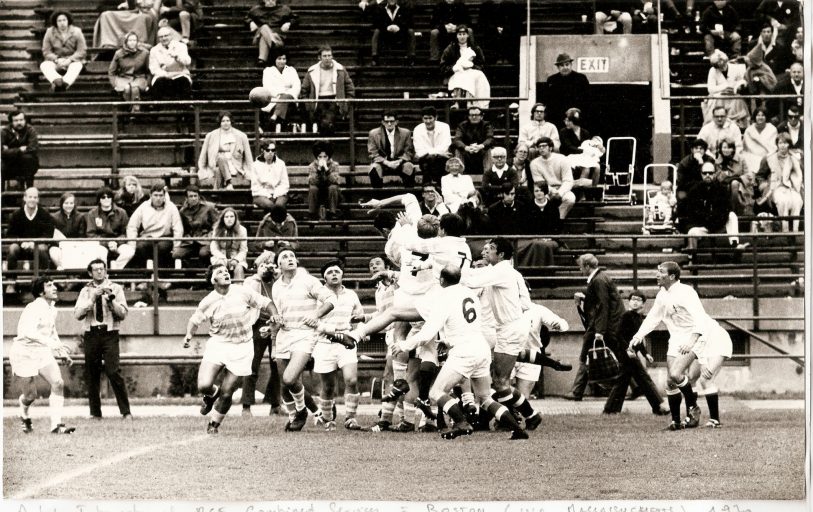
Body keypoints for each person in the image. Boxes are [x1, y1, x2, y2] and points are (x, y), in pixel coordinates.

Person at [393, 264, 529, 439]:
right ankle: (518, 430)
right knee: (485, 398)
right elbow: (466, 325)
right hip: (480, 347)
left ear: (441, 280)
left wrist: (404, 345)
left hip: (464, 351)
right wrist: (449, 341)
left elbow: (427, 333)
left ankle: (461, 423)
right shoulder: (470, 294)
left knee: (436, 392)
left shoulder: (444, 298)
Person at [631, 262, 733, 429]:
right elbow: (652, 318)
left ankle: (694, 408)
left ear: (671, 276)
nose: (657, 275)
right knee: (671, 381)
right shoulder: (662, 294)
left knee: (679, 373)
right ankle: (676, 422)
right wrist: (638, 336)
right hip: (678, 337)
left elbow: (700, 318)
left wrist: (692, 341)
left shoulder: (687, 292)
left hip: (698, 335)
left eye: (661, 272)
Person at [183, 264, 281, 434]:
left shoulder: (242, 291)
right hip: (219, 344)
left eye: (226, 271)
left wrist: (275, 314)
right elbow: (195, 320)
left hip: (242, 347)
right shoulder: (208, 301)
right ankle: (212, 394)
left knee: (227, 392)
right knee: (204, 385)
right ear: (213, 280)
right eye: (220, 272)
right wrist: (188, 336)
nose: (225, 273)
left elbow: (266, 303)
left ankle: (214, 424)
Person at [458, 238, 542, 430]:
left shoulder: (501, 271)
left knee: (500, 381)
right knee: (498, 380)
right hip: (511, 327)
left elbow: (470, 280)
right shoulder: (509, 272)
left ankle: (528, 415)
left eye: (492, 249)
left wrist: (455, 265)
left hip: (509, 329)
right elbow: (526, 303)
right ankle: (526, 415)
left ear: (502, 255)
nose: (487, 251)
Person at [271, 249, 338, 431]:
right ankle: (297, 416)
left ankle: (302, 412)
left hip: (304, 335)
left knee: (289, 378)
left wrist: (316, 314)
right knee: (286, 384)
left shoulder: (308, 280)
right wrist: (273, 324)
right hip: (284, 334)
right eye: (284, 257)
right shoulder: (277, 286)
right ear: (279, 265)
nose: (290, 259)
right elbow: (279, 314)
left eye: (292, 256)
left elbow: (331, 299)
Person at [10, 277, 75, 434]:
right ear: (41, 291)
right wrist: (53, 345)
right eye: (49, 285)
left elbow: (52, 332)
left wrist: (61, 351)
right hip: (23, 353)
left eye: (53, 284)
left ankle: (56, 425)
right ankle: (25, 416)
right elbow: (28, 332)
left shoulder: (52, 308)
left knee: (58, 383)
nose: (54, 288)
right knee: (30, 395)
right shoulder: (33, 308)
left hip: (41, 351)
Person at [563, 254, 627, 406]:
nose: (580, 270)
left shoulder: (597, 280)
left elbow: (602, 306)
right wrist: (585, 298)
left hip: (605, 325)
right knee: (619, 355)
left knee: (587, 352)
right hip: (609, 324)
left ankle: (577, 391)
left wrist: (600, 331)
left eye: (580, 266)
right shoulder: (601, 278)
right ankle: (636, 386)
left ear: (586, 266)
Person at [311, 260, 366, 431]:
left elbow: (359, 316)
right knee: (327, 386)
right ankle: (328, 420)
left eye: (337, 271)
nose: (334, 274)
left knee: (351, 379)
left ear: (342, 274)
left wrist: (358, 333)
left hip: (347, 343)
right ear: (324, 277)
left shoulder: (351, 294)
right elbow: (313, 320)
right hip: (324, 342)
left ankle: (350, 418)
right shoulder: (319, 296)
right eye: (329, 272)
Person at [74, 259, 132, 420]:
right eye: (96, 270)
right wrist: (92, 299)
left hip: (110, 332)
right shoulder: (85, 291)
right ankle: (95, 413)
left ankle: (126, 412)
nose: (99, 272)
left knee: (113, 371)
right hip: (92, 332)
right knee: (92, 373)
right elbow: (78, 315)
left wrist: (111, 301)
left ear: (106, 271)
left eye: (102, 269)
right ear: (90, 273)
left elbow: (124, 314)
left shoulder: (116, 288)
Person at [606, 289, 671, 415]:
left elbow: (638, 339)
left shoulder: (639, 318)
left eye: (638, 300)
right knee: (644, 379)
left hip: (632, 354)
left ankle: (610, 409)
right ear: (629, 302)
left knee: (623, 382)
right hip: (627, 354)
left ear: (643, 304)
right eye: (633, 299)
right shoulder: (626, 316)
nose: (635, 302)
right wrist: (628, 349)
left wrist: (645, 353)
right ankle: (659, 406)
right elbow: (618, 334)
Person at [241, 251, 283, 416]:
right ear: (256, 267)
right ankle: (246, 405)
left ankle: (275, 405)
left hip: (276, 325)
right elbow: (247, 296)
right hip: (257, 324)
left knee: (277, 366)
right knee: (252, 365)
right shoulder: (251, 281)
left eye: (270, 264)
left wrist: (277, 274)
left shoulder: (279, 281)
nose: (267, 267)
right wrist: (260, 275)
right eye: (263, 264)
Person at [680, 161, 748, 251]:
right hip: (703, 226)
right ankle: (692, 257)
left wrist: (715, 221)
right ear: (701, 174)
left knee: (732, 215)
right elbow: (692, 212)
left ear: (715, 174)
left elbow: (725, 210)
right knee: (692, 232)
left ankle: (735, 244)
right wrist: (708, 221)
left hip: (718, 225)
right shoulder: (694, 190)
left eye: (710, 173)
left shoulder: (722, 189)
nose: (707, 175)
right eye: (704, 173)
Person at [115, 183, 183, 271]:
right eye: (155, 195)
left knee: (161, 248)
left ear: (164, 196)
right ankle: (144, 279)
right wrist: (132, 244)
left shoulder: (171, 207)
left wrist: (176, 246)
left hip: (164, 238)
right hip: (147, 238)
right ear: (151, 195)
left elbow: (178, 228)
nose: (158, 198)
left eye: (161, 195)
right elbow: (132, 226)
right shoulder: (143, 207)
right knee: (139, 247)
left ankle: (160, 278)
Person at [366, 254, 400, 431]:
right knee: (396, 376)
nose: (374, 267)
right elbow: (382, 313)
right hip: (390, 333)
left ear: (386, 266)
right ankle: (393, 415)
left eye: (377, 263)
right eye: (371, 265)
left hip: (402, 331)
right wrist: (364, 318)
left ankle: (387, 416)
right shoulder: (379, 288)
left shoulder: (396, 282)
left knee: (391, 374)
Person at [4, 188, 54, 292]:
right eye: (30, 197)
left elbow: (48, 234)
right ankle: (11, 282)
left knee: (41, 249)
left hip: (37, 245)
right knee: (13, 248)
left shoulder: (44, 214)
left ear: (38, 199)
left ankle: (43, 283)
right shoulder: (17, 214)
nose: (32, 199)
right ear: (25, 198)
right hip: (21, 246)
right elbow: (10, 234)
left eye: (35, 197)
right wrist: (21, 242)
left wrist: (34, 242)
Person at [299, 45, 355, 135]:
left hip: (335, 100)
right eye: (324, 56)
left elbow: (350, 87)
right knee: (324, 122)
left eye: (329, 55)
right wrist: (308, 105)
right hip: (318, 100)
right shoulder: (312, 71)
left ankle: (325, 146)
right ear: (319, 57)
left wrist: (346, 103)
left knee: (327, 121)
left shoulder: (340, 70)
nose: (327, 58)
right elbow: (304, 90)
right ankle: (326, 145)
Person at [756, 132, 803, 232]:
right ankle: (785, 230)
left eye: (785, 143)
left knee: (797, 201)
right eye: (780, 143)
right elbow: (760, 175)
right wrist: (764, 185)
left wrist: (797, 183)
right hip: (774, 187)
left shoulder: (795, 158)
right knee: (783, 202)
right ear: (777, 144)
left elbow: (801, 174)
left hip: (792, 187)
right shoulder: (769, 158)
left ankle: (795, 231)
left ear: (789, 144)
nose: (783, 145)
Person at [198, 111, 254, 191]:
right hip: (215, 163)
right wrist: (202, 170)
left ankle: (216, 192)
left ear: (231, 121)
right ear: (220, 122)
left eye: (228, 121)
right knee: (221, 158)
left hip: (233, 165)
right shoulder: (211, 135)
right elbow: (203, 155)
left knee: (218, 171)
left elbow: (248, 157)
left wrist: (250, 172)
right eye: (223, 121)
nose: (226, 123)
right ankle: (228, 183)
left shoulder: (241, 136)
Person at [439, 25, 490, 109]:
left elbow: (482, 64)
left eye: (464, 34)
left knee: (475, 76)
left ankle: (471, 102)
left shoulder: (475, 48)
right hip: (456, 72)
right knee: (460, 75)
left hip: (471, 72)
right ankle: (456, 102)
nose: (462, 36)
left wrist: (472, 66)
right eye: (459, 34)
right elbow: (443, 66)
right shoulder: (450, 48)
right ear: (456, 36)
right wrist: (454, 68)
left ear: (468, 35)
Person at [528, 136, 576, 219]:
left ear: (550, 147)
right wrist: (551, 191)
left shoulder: (562, 159)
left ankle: (559, 219)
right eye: (539, 146)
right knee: (541, 200)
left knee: (570, 198)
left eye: (544, 146)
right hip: (545, 190)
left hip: (562, 189)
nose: (541, 148)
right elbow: (539, 182)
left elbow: (568, 180)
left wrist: (560, 193)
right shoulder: (534, 163)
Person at [172, 185, 218, 268]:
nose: (193, 198)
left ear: (199, 196)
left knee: (203, 253)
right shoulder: (183, 211)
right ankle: (189, 272)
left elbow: (216, 223)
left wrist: (212, 235)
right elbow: (182, 227)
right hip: (190, 241)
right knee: (176, 254)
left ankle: (207, 270)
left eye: (195, 196)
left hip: (206, 239)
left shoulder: (209, 207)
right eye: (191, 196)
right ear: (186, 198)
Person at [367, 110, 416, 188]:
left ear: (396, 122)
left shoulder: (405, 133)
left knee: (409, 167)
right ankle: (378, 197)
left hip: (399, 162)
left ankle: (409, 195)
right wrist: (387, 163)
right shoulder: (373, 133)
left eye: (392, 121)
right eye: (386, 121)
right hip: (382, 163)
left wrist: (399, 161)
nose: (389, 124)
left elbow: (409, 152)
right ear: (382, 122)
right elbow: (372, 153)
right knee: (374, 168)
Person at [83, 186, 130, 266]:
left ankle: (115, 270)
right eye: (103, 197)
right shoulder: (92, 213)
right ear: (99, 200)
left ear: (112, 198)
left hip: (118, 244)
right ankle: (104, 275)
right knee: (100, 254)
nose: (106, 199)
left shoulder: (122, 212)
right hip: (101, 244)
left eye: (109, 197)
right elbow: (91, 234)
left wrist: (117, 242)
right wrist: (107, 242)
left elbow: (125, 233)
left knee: (129, 252)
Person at [40, 10, 86, 92]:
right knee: (44, 65)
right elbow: (46, 51)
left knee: (77, 66)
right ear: (56, 22)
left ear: (68, 21)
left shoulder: (77, 31)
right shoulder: (50, 32)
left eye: (64, 20)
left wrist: (69, 60)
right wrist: (56, 59)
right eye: (59, 20)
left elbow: (81, 51)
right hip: (56, 61)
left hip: (72, 61)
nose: (62, 23)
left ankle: (63, 84)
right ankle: (57, 81)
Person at [543, 53, 590, 129]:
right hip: (558, 119)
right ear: (558, 67)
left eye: (567, 64)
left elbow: (587, 99)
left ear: (571, 65)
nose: (565, 67)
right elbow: (548, 101)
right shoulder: (552, 80)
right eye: (562, 65)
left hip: (577, 118)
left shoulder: (581, 78)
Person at [703, 50, 748, 126]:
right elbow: (710, 89)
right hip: (718, 96)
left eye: (723, 65)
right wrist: (725, 87)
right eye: (718, 66)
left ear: (726, 62)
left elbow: (742, 81)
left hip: (733, 95)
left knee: (738, 100)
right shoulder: (712, 71)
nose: (721, 68)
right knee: (716, 100)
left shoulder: (735, 68)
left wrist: (739, 86)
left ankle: (736, 123)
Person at [108, 31, 150, 111]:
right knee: (127, 88)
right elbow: (111, 72)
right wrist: (114, 84)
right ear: (126, 42)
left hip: (139, 78)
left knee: (135, 88)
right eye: (130, 40)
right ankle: (130, 108)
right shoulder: (119, 54)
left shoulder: (144, 53)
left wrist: (148, 83)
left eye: (134, 40)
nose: (132, 43)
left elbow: (149, 70)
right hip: (124, 77)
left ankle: (135, 110)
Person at [246, 0, 297, 67]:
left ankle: (262, 59)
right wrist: (250, 22)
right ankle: (273, 43)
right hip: (258, 37)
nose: (270, 1)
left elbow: (295, 18)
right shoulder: (256, 9)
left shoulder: (284, 9)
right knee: (264, 27)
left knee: (265, 36)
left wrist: (289, 23)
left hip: (278, 36)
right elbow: (246, 18)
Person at [259, 50, 300, 131]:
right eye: (279, 59)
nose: (282, 61)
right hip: (274, 99)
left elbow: (296, 86)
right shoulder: (268, 71)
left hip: (290, 99)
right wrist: (280, 94)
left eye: (284, 59)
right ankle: (277, 121)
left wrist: (286, 95)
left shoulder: (291, 70)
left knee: (286, 97)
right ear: (274, 59)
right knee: (284, 100)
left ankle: (275, 116)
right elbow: (267, 87)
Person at [93, 0, 161, 49]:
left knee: (143, 18)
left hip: (146, 12)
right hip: (129, 11)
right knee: (106, 15)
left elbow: (155, 9)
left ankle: (138, 42)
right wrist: (120, 6)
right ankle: (109, 42)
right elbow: (101, 7)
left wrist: (142, 3)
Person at [412, 106, 452, 186]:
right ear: (422, 119)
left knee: (435, 162)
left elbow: (445, 146)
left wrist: (431, 152)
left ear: (436, 118)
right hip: (425, 159)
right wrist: (437, 153)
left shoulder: (444, 127)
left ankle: (427, 186)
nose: (428, 121)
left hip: (441, 159)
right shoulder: (417, 129)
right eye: (425, 118)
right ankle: (438, 186)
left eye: (430, 118)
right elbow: (419, 151)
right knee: (429, 161)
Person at [148, 26, 192, 100]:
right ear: (158, 38)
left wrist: (177, 57)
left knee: (183, 81)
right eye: (161, 37)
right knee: (159, 83)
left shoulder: (181, 46)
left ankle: (185, 108)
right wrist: (166, 74)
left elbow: (188, 61)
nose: (164, 38)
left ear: (171, 36)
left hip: (179, 73)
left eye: (166, 36)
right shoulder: (154, 50)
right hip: (163, 75)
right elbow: (154, 68)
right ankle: (156, 108)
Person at [370, 0, 416, 66]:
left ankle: (411, 57)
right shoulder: (381, 8)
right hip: (386, 35)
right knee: (377, 31)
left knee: (410, 31)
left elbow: (409, 22)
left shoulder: (403, 8)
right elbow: (377, 23)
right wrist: (387, 27)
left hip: (400, 34)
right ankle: (375, 57)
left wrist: (399, 27)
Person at [476, 0, 523, 65]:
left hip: (507, 29)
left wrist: (503, 28)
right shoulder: (488, 6)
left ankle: (505, 57)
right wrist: (497, 28)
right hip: (494, 29)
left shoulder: (510, 6)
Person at [1, 111, 40, 190]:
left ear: (25, 120)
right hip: (10, 166)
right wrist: (19, 150)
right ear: (11, 122)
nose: (19, 123)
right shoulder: (4, 132)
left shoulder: (30, 130)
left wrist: (9, 151)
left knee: (29, 159)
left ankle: (30, 192)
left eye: (21, 120)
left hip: (27, 166)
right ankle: (1, 197)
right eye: (16, 120)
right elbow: (1, 152)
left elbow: (33, 148)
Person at [452, 105, 494, 174]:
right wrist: (466, 147)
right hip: (467, 152)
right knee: (458, 150)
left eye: (476, 115)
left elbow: (490, 139)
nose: (474, 117)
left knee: (488, 150)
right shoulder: (462, 125)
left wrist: (480, 146)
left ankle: (487, 178)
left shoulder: (487, 125)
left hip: (481, 151)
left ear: (481, 116)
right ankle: (458, 176)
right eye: (471, 115)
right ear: (468, 117)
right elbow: (457, 140)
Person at [49, 192, 85, 270]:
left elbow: (81, 235)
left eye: (71, 203)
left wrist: (73, 245)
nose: (69, 205)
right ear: (62, 204)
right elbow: (53, 237)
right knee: (53, 251)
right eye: (66, 203)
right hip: (59, 246)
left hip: (75, 246)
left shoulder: (80, 217)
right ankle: (62, 270)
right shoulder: (54, 217)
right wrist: (62, 245)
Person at [210, 208, 248, 281]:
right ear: (223, 219)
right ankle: (221, 288)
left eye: (231, 216)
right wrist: (223, 259)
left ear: (235, 218)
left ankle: (239, 288)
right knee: (220, 267)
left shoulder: (242, 230)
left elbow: (243, 250)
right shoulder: (217, 229)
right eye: (226, 217)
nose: (229, 219)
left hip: (236, 256)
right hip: (221, 256)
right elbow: (214, 249)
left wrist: (236, 260)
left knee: (239, 268)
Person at [306, 140, 341, 220]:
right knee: (312, 188)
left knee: (333, 187)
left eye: (325, 156)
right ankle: (311, 213)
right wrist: (318, 170)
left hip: (331, 192)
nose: (322, 159)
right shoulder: (312, 166)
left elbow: (336, 181)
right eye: (320, 157)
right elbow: (312, 181)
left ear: (329, 156)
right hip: (318, 191)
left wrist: (327, 170)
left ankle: (333, 212)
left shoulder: (334, 165)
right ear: (316, 157)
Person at [428, 0, 470, 64]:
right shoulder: (439, 6)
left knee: (470, 31)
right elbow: (433, 23)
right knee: (434, 32)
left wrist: (457, 27)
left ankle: (470, 54)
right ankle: (435, 57)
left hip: (459, 28)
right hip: (443, 29)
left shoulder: (461, 5)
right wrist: (444, 27)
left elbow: (467, 22)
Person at [250, 139, 289, 210]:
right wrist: (269, 196)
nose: (270, 152)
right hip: (260, 194)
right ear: (262, 150)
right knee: (270, 205)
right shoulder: (255, 165)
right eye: (268, 150)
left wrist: (275, 195)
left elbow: (284, 184)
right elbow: (256, 186)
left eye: (273, 150)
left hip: (278, 194)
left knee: (279, 206)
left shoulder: (281, 164)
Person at [742, 107, 778, 174]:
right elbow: (746, 147)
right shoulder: (749, 130)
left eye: (763, 115)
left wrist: (757, 138)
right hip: (751, 156)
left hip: (767, 156)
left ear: (766, 117)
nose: (760, 117)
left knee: (773, 158)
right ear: (755, 117)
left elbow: (773, 148)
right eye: (758, 115)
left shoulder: (772, 129)